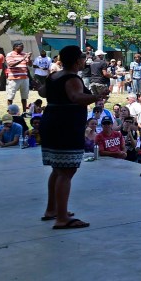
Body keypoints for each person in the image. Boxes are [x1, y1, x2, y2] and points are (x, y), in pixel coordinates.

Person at [38, 45, 100, 229]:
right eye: (82, 58)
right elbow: (75, 97)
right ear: (76, 60)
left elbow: (42, 92)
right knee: (67, 171)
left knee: (58, 169)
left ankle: (53, 210)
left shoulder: (54, 76)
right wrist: (96, 97)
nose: (84, 61)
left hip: (51, 122)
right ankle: (62, 218)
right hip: (65, 126)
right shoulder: (72, 78)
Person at [5, 41, 31, 110]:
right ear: (15, 47)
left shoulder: (24, 54)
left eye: (23, 46)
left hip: (24, 78)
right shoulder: (10, 54)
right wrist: (23, 59)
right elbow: (11, 64)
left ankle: (24, 111)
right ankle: (10, 111)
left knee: (24, 96)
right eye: (21, 46)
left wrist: (29, 58)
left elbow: (30, 64)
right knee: (10, 96)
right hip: (14, 78)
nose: (22, 48)